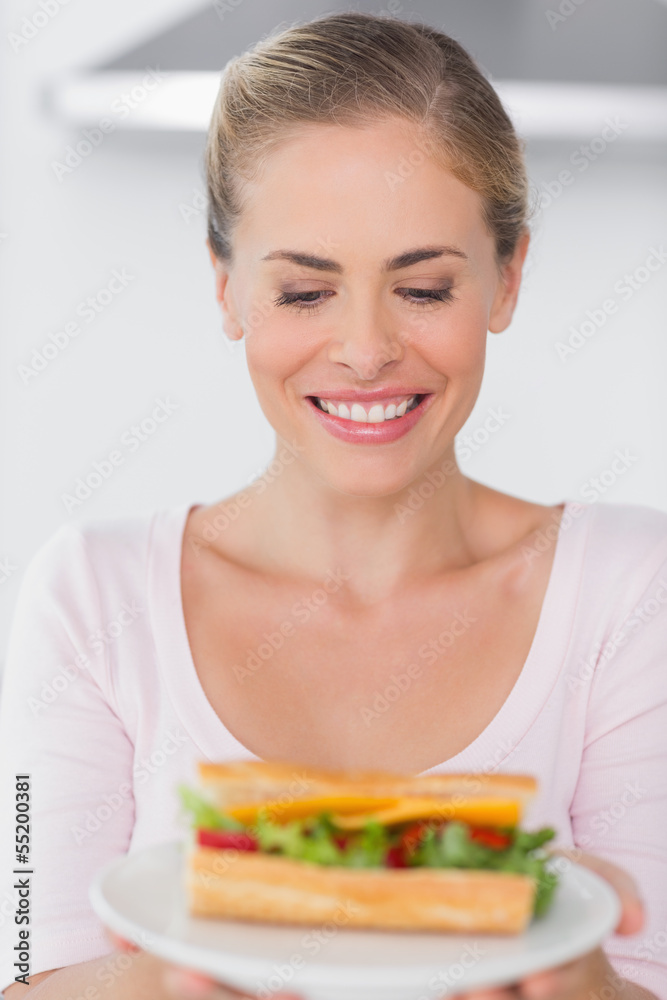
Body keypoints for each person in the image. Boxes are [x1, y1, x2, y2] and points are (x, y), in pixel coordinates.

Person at [0, 10, 666, 1000]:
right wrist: (176, 979)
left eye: (425, 287)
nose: (363, 349)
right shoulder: (90, 594)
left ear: (508, 276)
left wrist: (583, 986)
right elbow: (25, 970)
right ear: (225, 285)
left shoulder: (628, 587)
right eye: (306, 293)